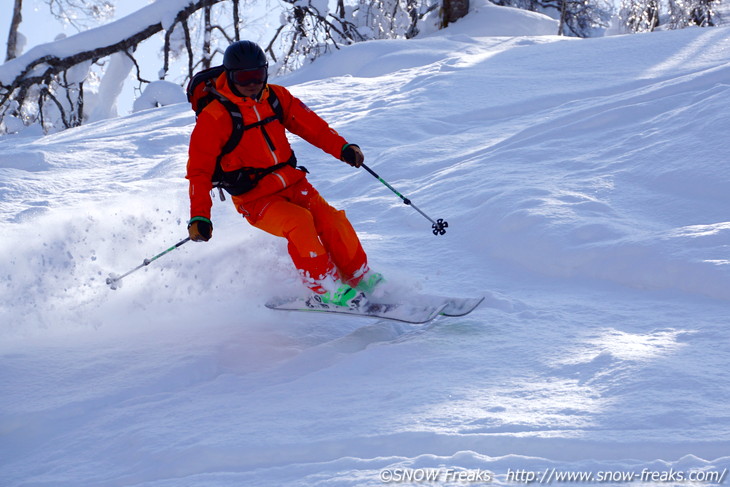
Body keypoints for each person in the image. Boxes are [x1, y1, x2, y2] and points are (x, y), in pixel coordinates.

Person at [186, 40, 381, 308]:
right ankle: (324, 287)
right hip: (255, 198)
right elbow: (199, 171)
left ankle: (359, 276)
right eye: (244, 77)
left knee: (331, 219)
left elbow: (313, 127)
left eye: (258, 75)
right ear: (229, 76)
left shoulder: (277, 97)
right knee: (299, 222)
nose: (252, 83)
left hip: (293, 182)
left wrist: (343, 147)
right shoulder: (215, 117)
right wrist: (200, 216)